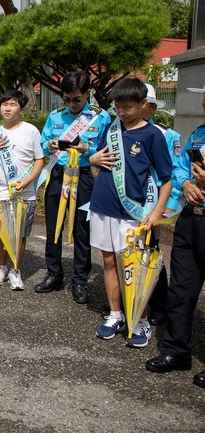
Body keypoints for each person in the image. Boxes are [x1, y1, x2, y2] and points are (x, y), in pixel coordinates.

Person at [88, 77, 172, 347]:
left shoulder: (153, 135)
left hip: (132, 210)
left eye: (127, 107)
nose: (122, 112)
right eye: (118, 107)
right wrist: (92, 158)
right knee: (109, 262)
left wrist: (157, 211)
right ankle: (115, 315)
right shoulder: (113, 129)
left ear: (142, 104)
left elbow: (166, 179)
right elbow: (97, 156)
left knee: (133, 267)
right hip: (103, 205)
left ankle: (142, 319)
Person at [145, 85, 205, 389]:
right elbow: (180, 169)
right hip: (191, 221)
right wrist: (186, 184)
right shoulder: (198, 134)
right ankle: (176, 350)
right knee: (181, 288)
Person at [36, 71, 111, 303]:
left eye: (76, 99)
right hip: (58, 175)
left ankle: (80, 279)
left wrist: (86, 149)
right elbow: (43, 145)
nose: (71, 104)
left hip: (84, 176)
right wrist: (49, 145)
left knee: (81, 230)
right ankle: (54, 273)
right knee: (54, 227)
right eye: (66, 99)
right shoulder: (55, 116)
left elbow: (106, 152)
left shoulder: (101, 118)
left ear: (87, 93)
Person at [0, 90, 44, 291]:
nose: (7, 108)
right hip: (0, 190)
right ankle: (0, 268)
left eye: (12, 104)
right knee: (0, 232)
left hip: (24, 191)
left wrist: (28, 181)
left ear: (22, 108)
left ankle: (15, 270)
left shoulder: (31, 131)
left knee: (19, 233)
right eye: (4, 104)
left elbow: (40, 160)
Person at [142, 84, 182, 327]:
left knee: (151, 249)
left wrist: (168, 203)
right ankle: (133, 299)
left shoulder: (167, 135)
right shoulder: (120, 132)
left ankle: (159, 303)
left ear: (153, 107)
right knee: (130, 247)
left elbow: (175, 172)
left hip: (155, 197)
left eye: (143, 102)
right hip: (131, 197)